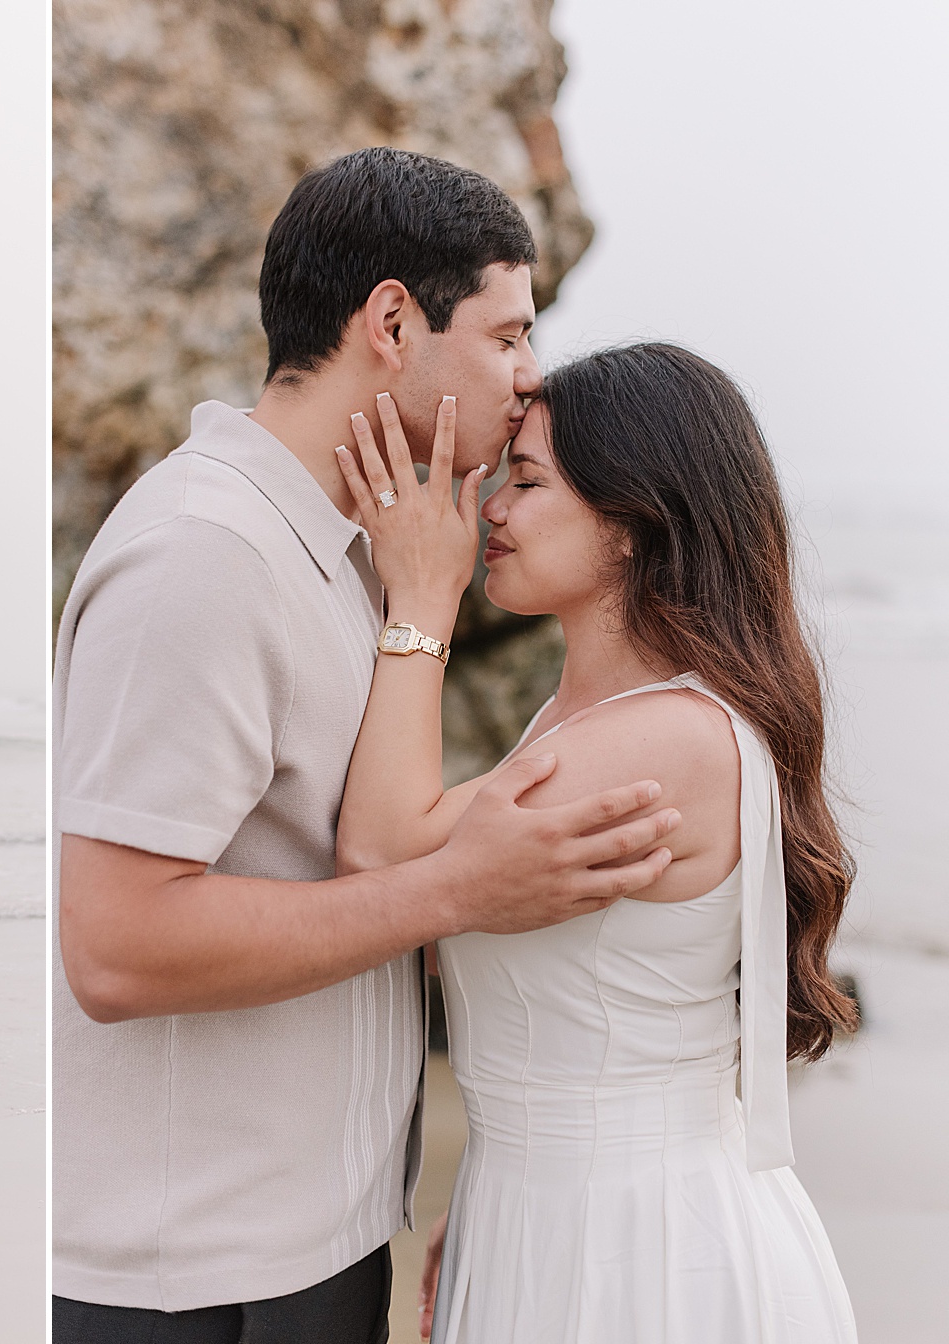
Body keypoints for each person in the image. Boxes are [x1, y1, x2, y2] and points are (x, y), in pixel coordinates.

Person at [52, 147, 683, 1340]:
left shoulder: (354, 562)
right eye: (505, 336)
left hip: (312, 1237)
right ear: (393, 322)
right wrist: (455, 892)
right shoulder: (203, 557)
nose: (528, 374)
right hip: (187, 1274)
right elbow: (116, 946)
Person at [333, 342, 857, 1341]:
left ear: (630, 523)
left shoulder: (669, 739)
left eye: (524, 481)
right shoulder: (585, 724)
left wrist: (422, 600)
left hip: (643, 1247)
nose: (488, 508)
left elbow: (383, 856)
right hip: (553, 1213)